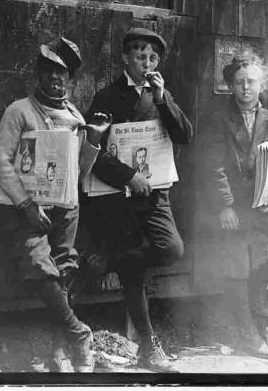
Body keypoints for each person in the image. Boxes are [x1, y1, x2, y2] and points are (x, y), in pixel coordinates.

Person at [0, 37, 110, 373]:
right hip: (31, 209)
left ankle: (61, 350)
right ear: (38, 75)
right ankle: (79, 332)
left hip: (66, 208)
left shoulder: (74, 116)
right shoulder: (19, 111)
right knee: (37, 265)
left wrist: (95, 140)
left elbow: (79, 173)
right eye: (49, 72)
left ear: (70, 79)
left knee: (66, 270)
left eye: (62, 74)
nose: (55, 79)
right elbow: (1, 162)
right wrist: (26, 204)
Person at [81, 27, 193, 372]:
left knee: (171, 249)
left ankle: (108, 259)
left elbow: (185, 136)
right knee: (134, 275)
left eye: (152, 58)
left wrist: (163, 98)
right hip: (119, 197)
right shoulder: (107, 96)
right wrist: (129, 176)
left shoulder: (161, 95)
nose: (146, 63)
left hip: (156, 194)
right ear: (125, 59)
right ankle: (149, 345)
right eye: (140, 56)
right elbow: (93, 153)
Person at [198, 54, 268, 358]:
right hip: (233, 208)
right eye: (239, 82)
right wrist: (224, 206)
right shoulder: (219, 118)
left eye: (251, 81)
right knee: (236, 268)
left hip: (265, 204)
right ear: (232, 86)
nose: (246, 87)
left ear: (263, 83)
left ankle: (259, 279)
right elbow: (213, 167)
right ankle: (249, 336)